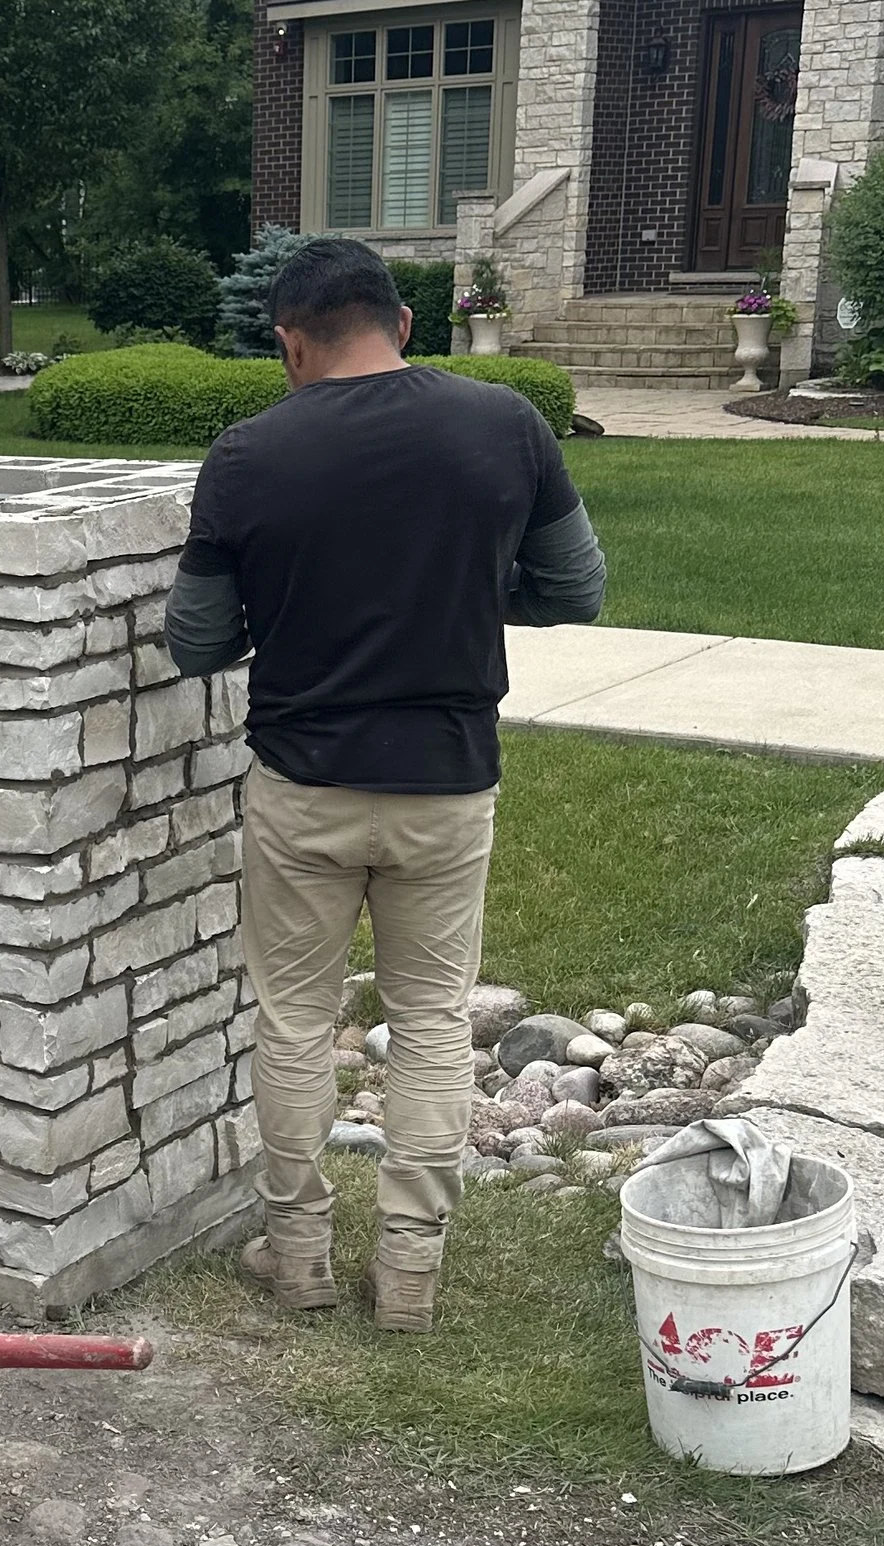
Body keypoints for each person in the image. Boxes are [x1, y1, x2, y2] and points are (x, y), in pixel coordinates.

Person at [165, 238, 605, 1331]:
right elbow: (576, 589)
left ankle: (300, 1255)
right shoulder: (504, 423)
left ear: (289, 342)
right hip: (447, 789)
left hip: (302, 789)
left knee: (294, 1021)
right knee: (431, 1021)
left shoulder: (246, 455)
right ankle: (408, 1273)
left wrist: (292, 605)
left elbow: (194, 641)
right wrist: (460, 594)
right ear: (401, 324)